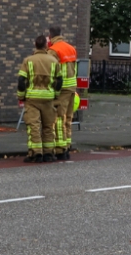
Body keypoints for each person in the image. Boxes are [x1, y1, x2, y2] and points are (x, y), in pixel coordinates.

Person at [17, 34, 62, 163]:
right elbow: (59, 80)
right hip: (48, 98)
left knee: (34, 126)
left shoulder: (28, 60)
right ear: (47, 46)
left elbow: (21, 80)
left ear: (35, 45)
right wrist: (56, 94)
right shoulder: (53, 61)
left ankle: (36, 153)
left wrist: (21, 95)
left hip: (32, 98)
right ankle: (48, 153)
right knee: (48, 126)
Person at [47, 26, 78, 161]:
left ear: (50, 35)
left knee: (59, 118)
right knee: (69, 118)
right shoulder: (71, 48)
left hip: (62, 88)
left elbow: (50, 71)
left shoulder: (53, 51)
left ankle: (60, 149)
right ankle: (67, 144)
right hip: (72, 86)